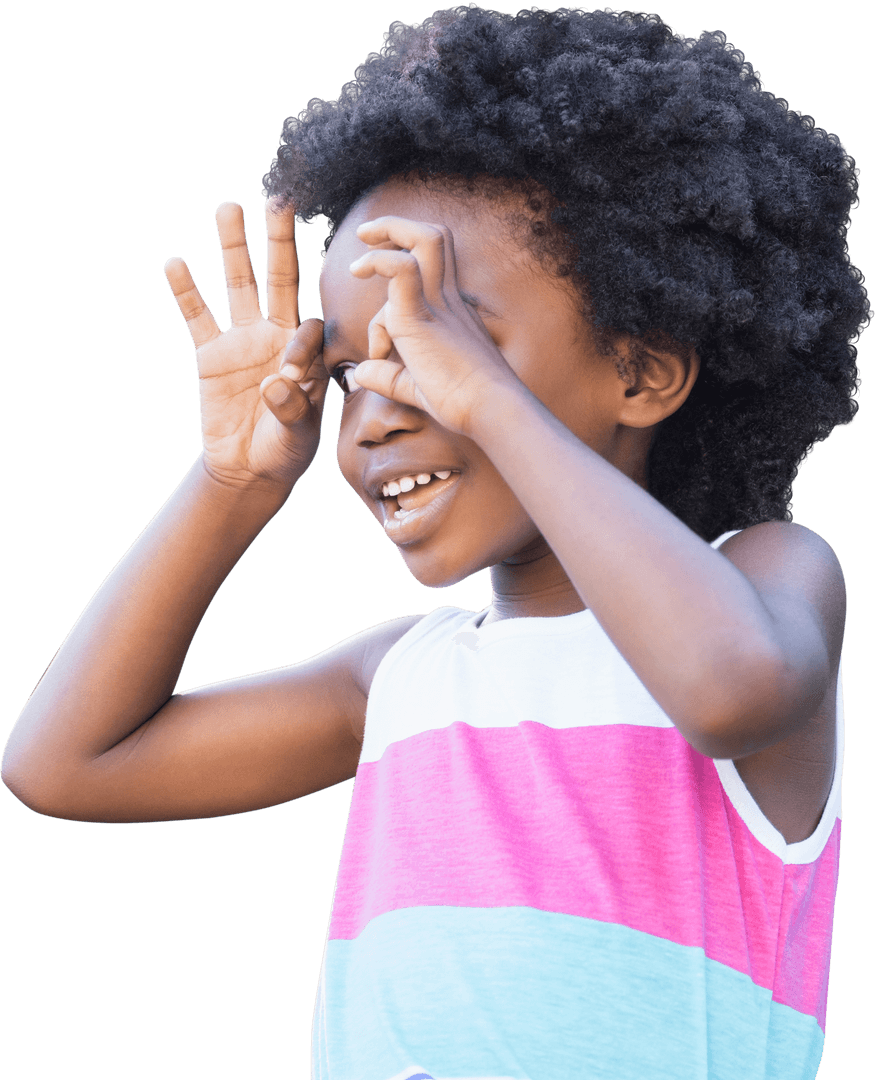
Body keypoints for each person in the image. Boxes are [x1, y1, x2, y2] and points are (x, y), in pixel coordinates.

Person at [2, 6, 870, 1079]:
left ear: (641, 373)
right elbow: (62, 764)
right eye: (352, 371)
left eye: (439, 341)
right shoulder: (397, 678)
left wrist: (494, 402)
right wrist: (230, 484)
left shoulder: (768, 576)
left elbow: (728, 689)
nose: (379, 411)